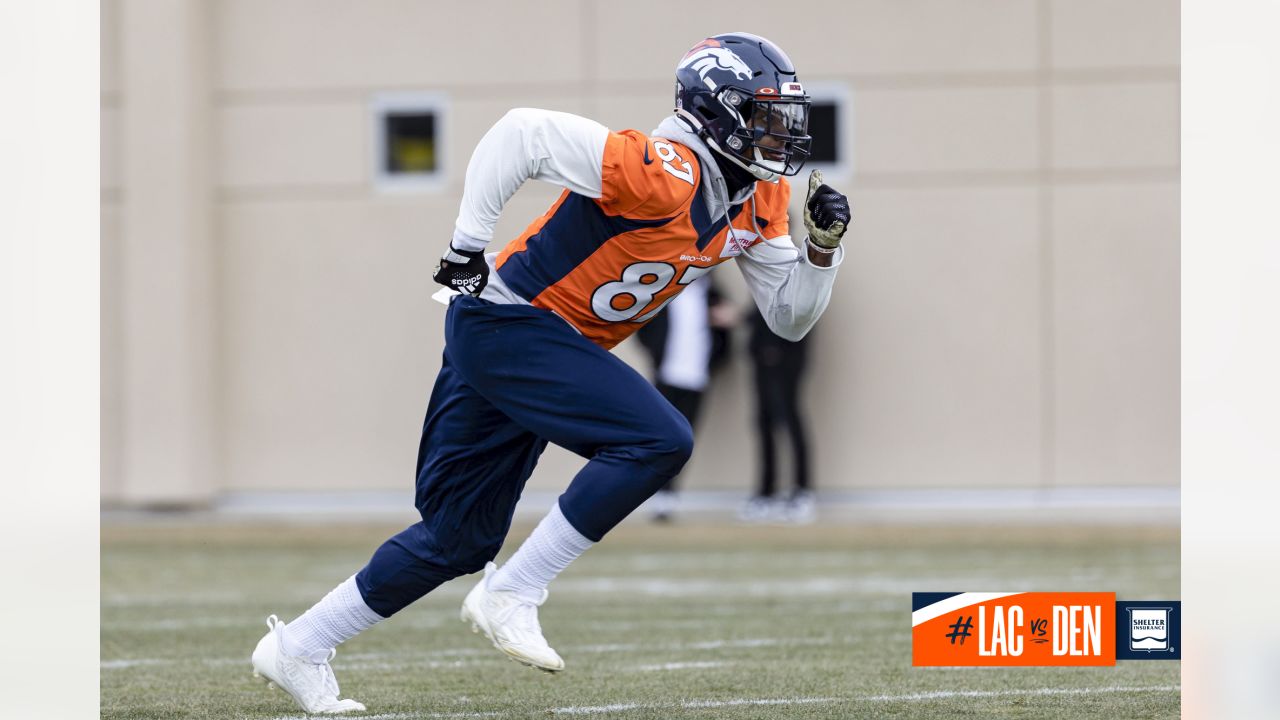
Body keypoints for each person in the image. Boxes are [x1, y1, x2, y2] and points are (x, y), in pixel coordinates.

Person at [250, 32, 851, 714]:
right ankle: (516, 590)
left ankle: (298, 647)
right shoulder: (663, 168)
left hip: (539, 346)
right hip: (507, 322)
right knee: (659, 438)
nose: (781, 134)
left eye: (785, 117)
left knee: (457, 538)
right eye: (765, 115)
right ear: (715, 111)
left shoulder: (759, 198)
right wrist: (466, 246)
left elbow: (789, 318)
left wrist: (823, 252)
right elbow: (519, 133)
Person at [634, 275, 733, 522]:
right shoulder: (665, 290)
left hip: (697, 378)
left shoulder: (712, 293)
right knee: (657, 438)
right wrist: (655, 353)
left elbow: (725, 334)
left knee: (684, 441)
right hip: (666, 376)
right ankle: (649, 493)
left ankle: (668, 497)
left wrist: (716, 358)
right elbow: (642, 325)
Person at [739, 301, 816, 524]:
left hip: (785, 358)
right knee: (763, 423)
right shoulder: (768, 273)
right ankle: (766, 493)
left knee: (790, 420)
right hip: (761, 358)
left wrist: (776, 347)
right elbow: (762, 310)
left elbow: (798, 310)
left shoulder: (798, 272)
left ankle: (802, 492)